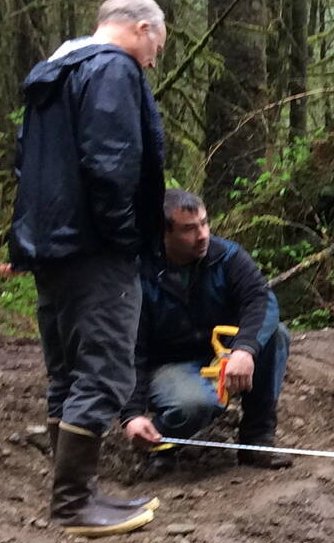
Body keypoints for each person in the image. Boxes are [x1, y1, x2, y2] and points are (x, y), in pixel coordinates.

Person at [8, 0, 169, 536]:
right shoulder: (112, 70)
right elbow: (111, 165)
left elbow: (21, 159)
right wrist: (126, 239)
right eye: (156, 49)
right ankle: (73, 504)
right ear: (142, 28)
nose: (152, 61)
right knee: (102, 370)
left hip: (50, 248)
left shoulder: (54, 73)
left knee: (68, 373)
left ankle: (79, 492)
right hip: (96, 250)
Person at [123, 190, 294, 470]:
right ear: (162, 233)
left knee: (276, 335)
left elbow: (260, 299)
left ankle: (257, 439)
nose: (202, 234)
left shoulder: (227, 256)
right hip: (168, 364)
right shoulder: (138, 275)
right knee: (197, 404)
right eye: (189, 229)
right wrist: (131, 414)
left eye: (204, 223)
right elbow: (131, 349)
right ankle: (161, 445)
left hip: (220, 352)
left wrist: (245, 349)